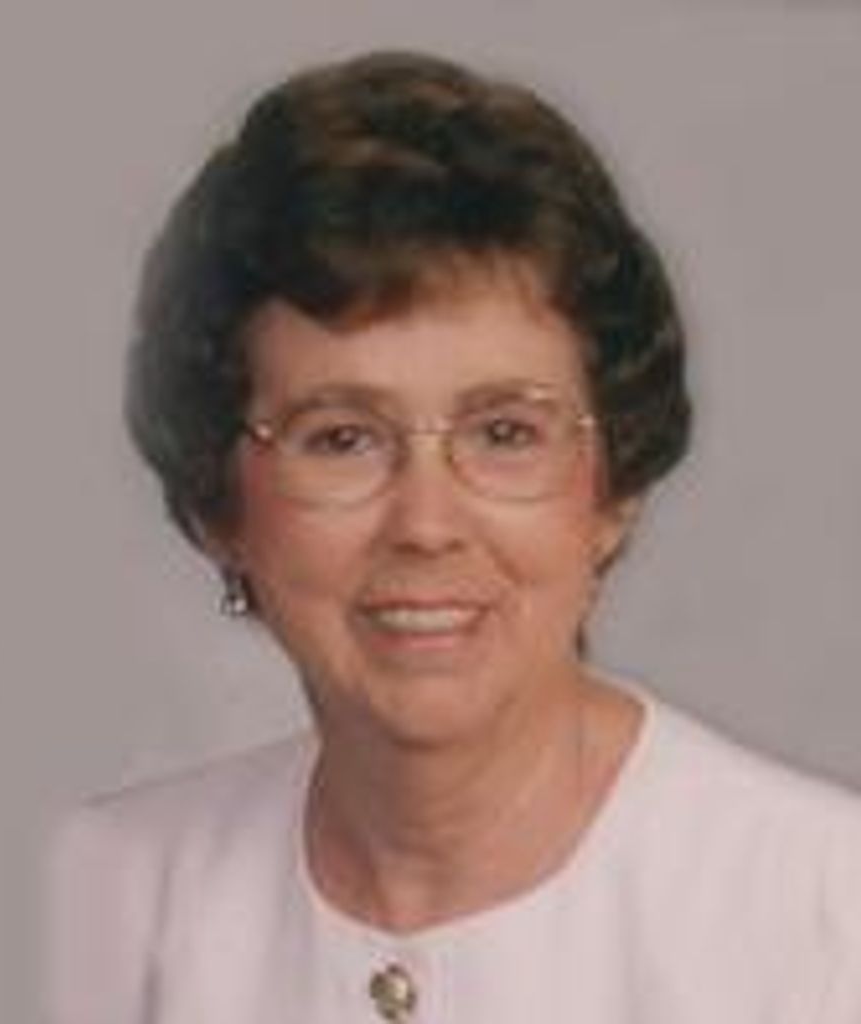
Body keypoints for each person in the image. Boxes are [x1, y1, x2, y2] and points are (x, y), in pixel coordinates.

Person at [47, 51, 861, 1023]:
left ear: (612, 491)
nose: (425, 526)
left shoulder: (823, 913)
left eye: (504, 433)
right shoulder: (108, 896)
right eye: (341, 438)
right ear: (218, 510)